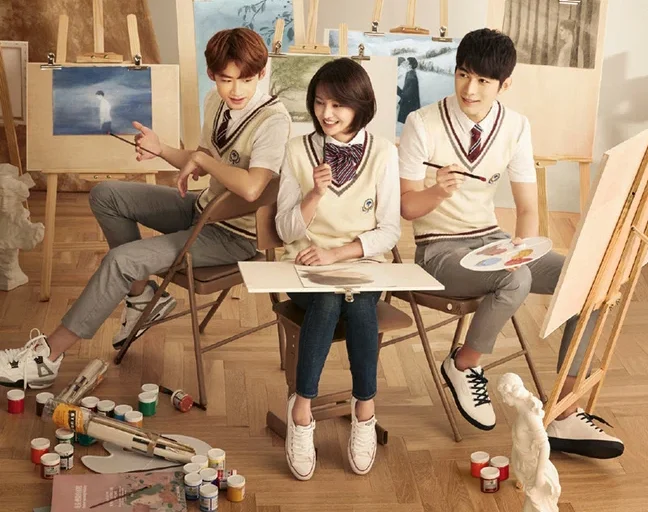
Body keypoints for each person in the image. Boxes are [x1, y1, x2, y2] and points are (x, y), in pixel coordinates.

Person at [0, 28, 291, 390]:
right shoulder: (214, 103)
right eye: (226, 79)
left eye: (246, 80)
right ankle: (142, 298)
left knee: (121, 260)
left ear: (261, 73)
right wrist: (161, 149)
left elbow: (251, 187)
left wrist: (202, 160)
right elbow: (200, 161)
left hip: (235, 236)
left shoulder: (273, 120)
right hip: (203, 209)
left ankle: (46, 359)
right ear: (211, 74)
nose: (236, 90)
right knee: (106, 194)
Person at [398, 28, 623, 459]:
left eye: (483, 80)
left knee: (590, 280)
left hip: (491, 243)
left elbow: (526, 206)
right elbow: (408, 207)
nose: (469, 89)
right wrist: (437, 192)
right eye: (463, 75)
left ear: (505, 84)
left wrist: (521, 248)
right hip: (439, 251)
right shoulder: (421, 123)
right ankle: (463, 363)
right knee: (514, 279)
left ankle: (564, 409)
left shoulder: (516, 126)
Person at [275, 58, 400, 480]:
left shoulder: (384, 153)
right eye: (320, 102)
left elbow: (390, 231)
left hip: (361, 265)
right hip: (302, 266)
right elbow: (284, 229)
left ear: (360, 105)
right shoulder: (297, 150)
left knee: (359, 304)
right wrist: (314, 194)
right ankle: (302, 412)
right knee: (328, 302)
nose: (326, 113)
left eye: (338, 104)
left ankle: (364, 408)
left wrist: (339, 254)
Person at [397, 57, 421, 124]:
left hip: (409, 109)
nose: (404, 63)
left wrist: (396, 89)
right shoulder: (409, 74)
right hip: (409, 107)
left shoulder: (411, 77)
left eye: (406, 62)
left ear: (409, 66)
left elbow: (407, 95)